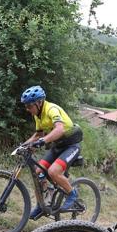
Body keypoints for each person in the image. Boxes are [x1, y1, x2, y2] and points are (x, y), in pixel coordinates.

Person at [21, 85, 83, 219]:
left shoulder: (51, 109)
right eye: (26, 106)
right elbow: (38, 134)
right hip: (58, 146)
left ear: (39, 103)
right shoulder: (38, 114)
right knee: (37, 173)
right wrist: (24, 145)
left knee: (53, 171)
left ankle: (72, 193)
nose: (27, 109)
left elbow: (59, 129)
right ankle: (41, 206)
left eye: (29, 106)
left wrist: (43, 140)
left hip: (71, 146)